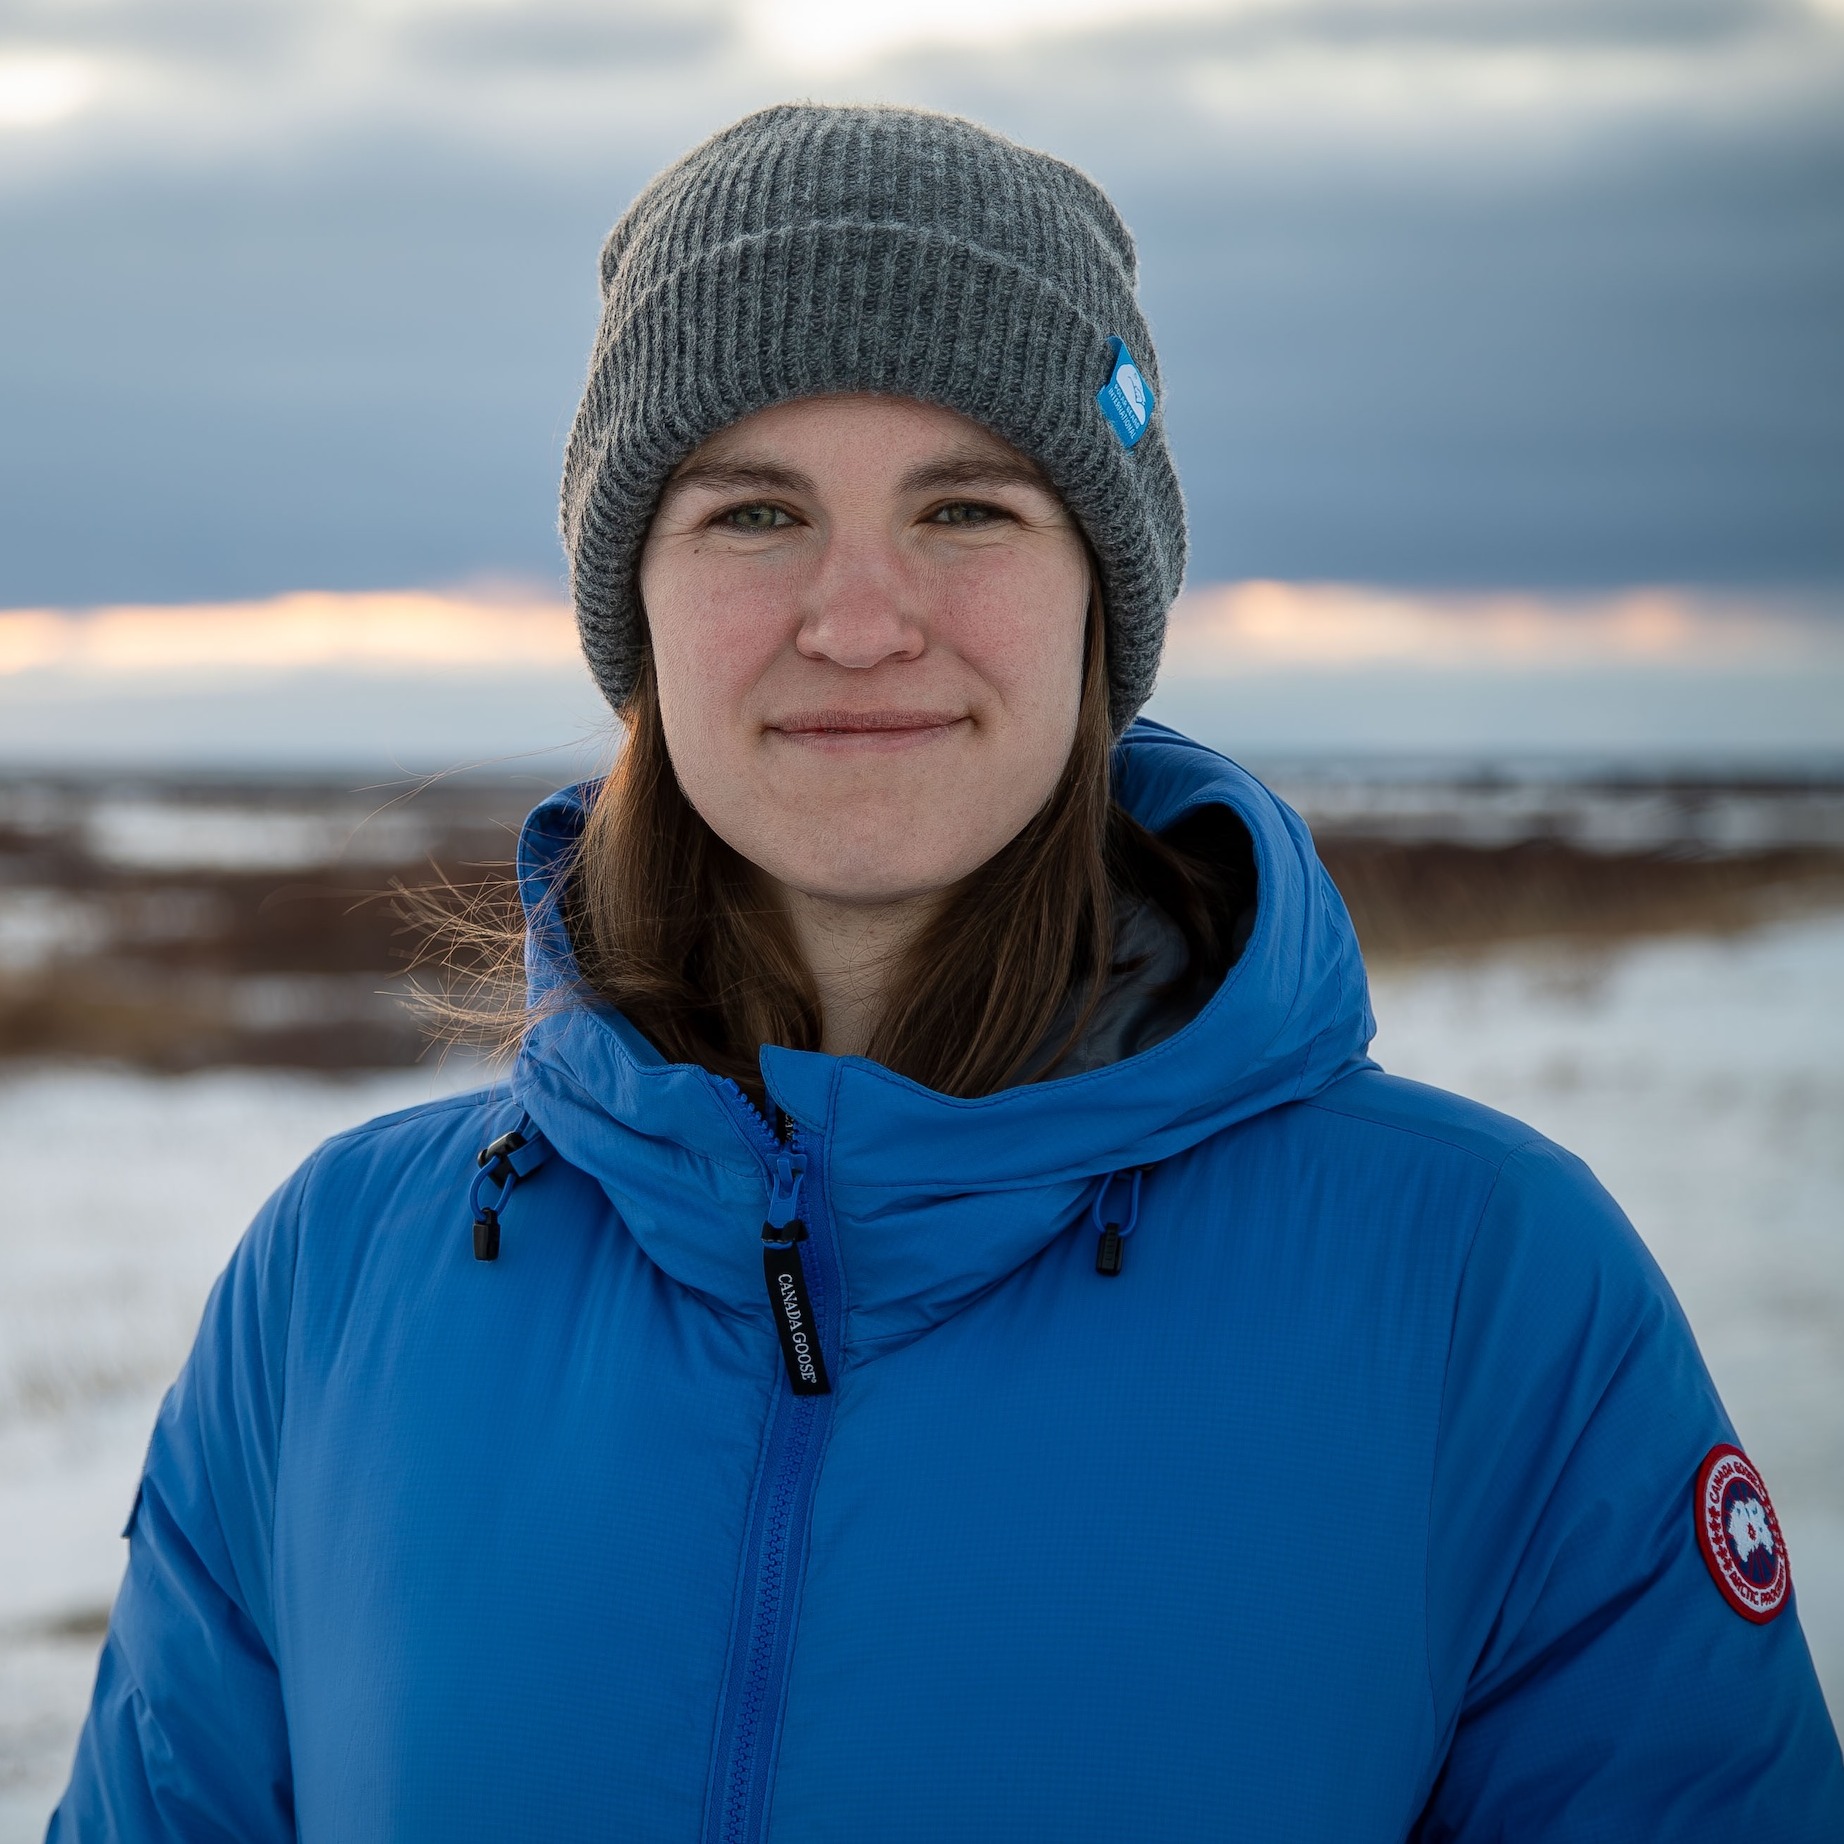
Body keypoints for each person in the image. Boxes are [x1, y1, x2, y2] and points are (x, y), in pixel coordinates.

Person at [51, 102, 1842, 1842]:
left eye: (968, 509)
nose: (857, 620)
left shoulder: (1479, 1288)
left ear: (1098, 599)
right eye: (754, 515)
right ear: (636, 607)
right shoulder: (338, 1286)